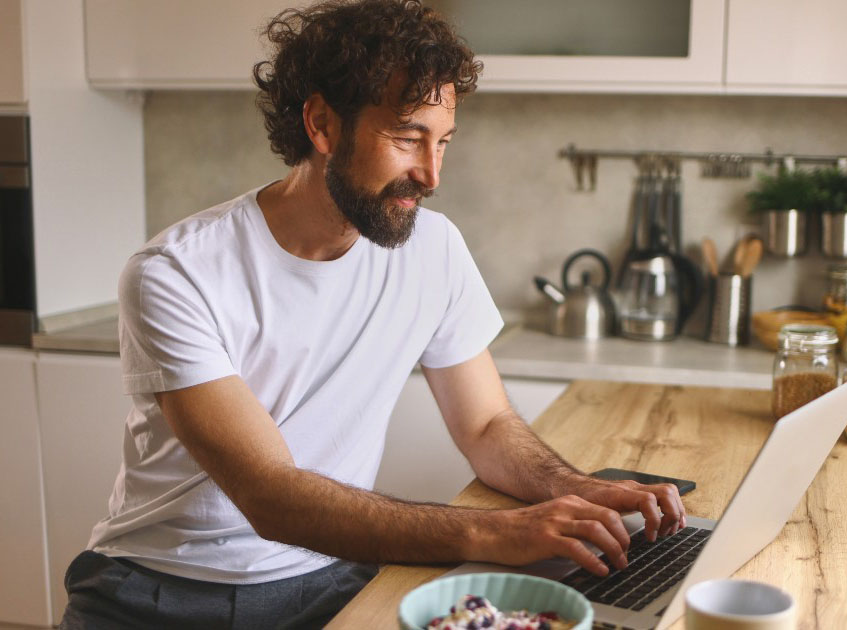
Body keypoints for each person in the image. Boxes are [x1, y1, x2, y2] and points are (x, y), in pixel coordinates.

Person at [60, 1, 686, 627]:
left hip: (333, 573)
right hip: (157, 593)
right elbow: (271, 497)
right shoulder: (177, 273)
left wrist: (574, 487)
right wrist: (496, 532)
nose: (432, 172)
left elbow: (487, 424)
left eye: (442, 141)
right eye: (407, 137)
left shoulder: (434, 248)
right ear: (323, 124)